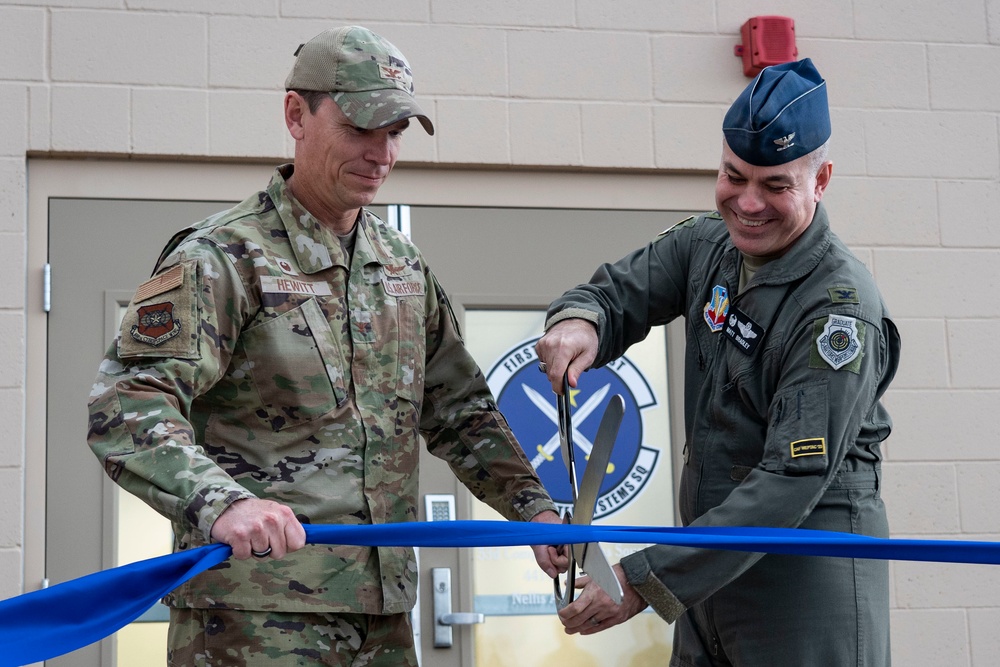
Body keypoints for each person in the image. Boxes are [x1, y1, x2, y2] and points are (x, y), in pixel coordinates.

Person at [87, 25, 563, 666]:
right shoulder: (224, 258)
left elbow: (460, 411)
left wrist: (532, 509)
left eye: (394, 133)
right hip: (255, 617)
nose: (381, 154)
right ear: (296, 114)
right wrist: (222, 503)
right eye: (361, 128)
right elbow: (127, 403)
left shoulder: (401, 269)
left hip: (383, 615)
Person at [536, 59, 900, 667]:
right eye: (734, 176)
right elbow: (617, 294)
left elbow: (791, 480)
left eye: (776, 186)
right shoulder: (707, 245)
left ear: (822, 179)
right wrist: (580, 321)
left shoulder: (838, 311)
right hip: (708, 578)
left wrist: (641, 581)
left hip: (801, 589)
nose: (748, 203)